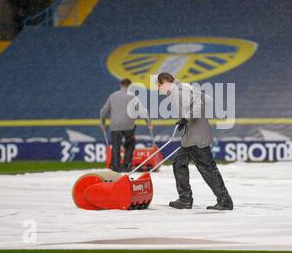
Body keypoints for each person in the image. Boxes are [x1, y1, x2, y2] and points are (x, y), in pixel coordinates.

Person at [157, 72, 233, 210]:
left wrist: (186, 118)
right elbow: (207, 99)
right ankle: (185, 199)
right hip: (191, 136)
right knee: (179, 162)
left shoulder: (179, 91)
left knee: (207, 169)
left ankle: (225, 201)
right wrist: (190, 117)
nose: (158, 89)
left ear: (165, 82)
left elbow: (198, 103)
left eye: (159, 85)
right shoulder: (185, 88)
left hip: (196, 137)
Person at [100, 78, 152, 172]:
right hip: (129, 125)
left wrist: (102, 123)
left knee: (116, 145)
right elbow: (143, 111)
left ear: (120, 85)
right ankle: (127, 164)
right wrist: (148, 122)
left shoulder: (112, 96)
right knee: (130, 144)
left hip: (115, 125)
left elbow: (103, 111)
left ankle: (115, 166)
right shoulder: (133, 97)